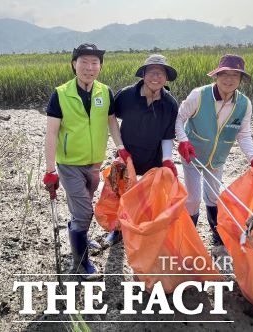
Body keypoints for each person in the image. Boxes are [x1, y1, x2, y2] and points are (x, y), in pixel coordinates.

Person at [42, 43, 124, 280]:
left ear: (100, 66)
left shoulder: (104, 92)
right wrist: (50, 170)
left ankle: (79, 234)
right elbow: (51, 133)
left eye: (94, 63)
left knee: (82, 208)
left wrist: (121, 148)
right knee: (84, 212)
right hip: (69, 164)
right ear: (74, 64)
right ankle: (81, 264)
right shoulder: (60, 94)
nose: (89, 68)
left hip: (95, 163)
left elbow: (111, 122)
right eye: (84, 62)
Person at [175, 54, 253, 250]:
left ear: (241, 80)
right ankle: (189, 232)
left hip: (218, 158)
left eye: (235, 75)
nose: (229, 80)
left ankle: (216, 232)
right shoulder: (199, 95)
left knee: (213, 196)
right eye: (224, 74)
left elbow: (243, 135)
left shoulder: (244, 104)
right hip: (192, 155)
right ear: (216, 76)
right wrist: (183, 141)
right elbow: (178, 118)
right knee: (193, 198)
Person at [104, 54, 179, 245]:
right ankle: (118, 229)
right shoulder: (127, 95)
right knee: (121, 193)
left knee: (148, 197)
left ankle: (144, 230)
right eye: (152, 72)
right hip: (126, 155)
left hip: (153, 157)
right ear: (143, 74)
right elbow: (110, 117)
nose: (156, 77)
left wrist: (167, 160)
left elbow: (168, 135)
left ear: (166, 78)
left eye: (161, 73)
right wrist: (120, 148)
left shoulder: (170, 104)